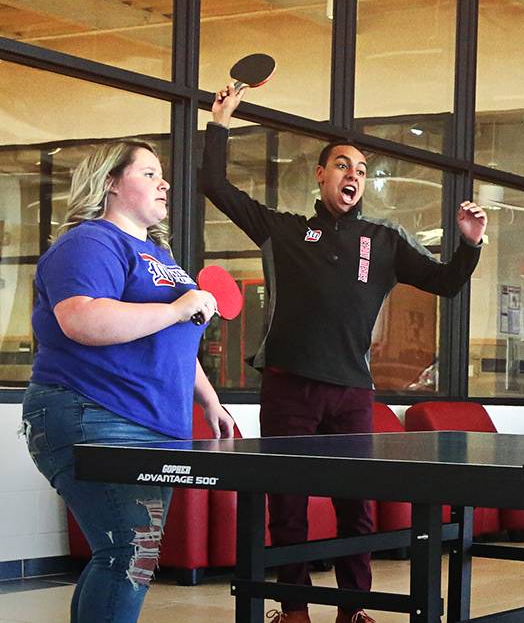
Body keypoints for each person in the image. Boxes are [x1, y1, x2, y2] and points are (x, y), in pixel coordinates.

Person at [204, 86, 487, 623]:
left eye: (359, 168)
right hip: (288, 385)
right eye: (341, 165)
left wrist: (469, 245)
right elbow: (214, 185)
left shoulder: (385, 240)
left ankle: (352, 609)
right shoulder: (282, 230)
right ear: (320, 174)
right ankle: (293, 609)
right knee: (287, 505)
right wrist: (219, 124)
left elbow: (448, 284)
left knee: (355, 506)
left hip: (352, 392)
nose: (351, 175)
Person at [23, 140, 237, 623]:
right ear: (111, 183)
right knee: (129, 554)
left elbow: (169, 339)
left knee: (127, 554)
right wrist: (177, 307)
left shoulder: (158, 254)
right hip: (92, 412)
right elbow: (82, 319)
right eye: (148, 173)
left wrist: (209, 399)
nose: (164, 183)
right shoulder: (91, 241)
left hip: (153, 422)